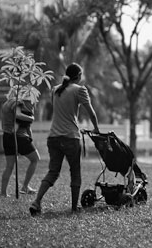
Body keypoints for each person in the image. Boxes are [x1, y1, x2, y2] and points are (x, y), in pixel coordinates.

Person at [29, 63, 100, 215]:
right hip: (70, 138)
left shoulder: (55, 89)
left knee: (53, 171)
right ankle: (74, 208)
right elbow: (91, 114)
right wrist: (96, 130)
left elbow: (61, 113)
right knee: (75, 172)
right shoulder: (80, 90)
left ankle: (37, 201)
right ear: (79, 76)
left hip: (53, 137)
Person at [0, 98, 40, 197]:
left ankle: (3, 192)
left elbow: (3, 123)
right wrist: (32, 118)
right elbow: (18, 115)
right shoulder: (17, 102)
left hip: (7, 136)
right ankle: (25, 186)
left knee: (9, 166)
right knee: (35, 159)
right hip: (19, 137)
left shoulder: (5, 104)